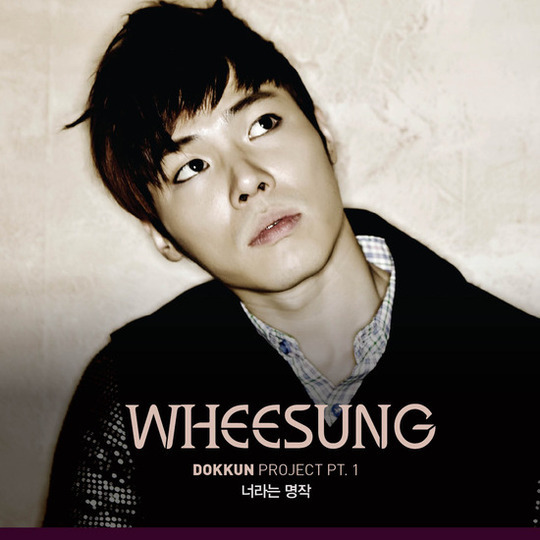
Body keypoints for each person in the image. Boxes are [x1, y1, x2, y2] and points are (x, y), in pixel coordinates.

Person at [44, 0, 539, 527]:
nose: (248, 179)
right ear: (160, 234)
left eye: (263, 124)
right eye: (192, 166)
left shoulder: (519, 370)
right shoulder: (130, 393)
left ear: (322, 131)